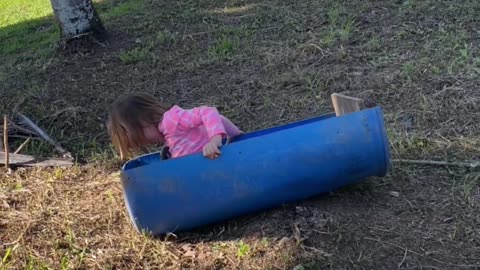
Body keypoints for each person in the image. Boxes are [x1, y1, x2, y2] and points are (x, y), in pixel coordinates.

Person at [107, 93, 243, 160]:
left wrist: (215, 140)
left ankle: (240, 139)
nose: (147, 143)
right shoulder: (166, 134)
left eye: (142, 138)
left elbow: (208, 112)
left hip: (220, 154)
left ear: (146, 119)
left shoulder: (171, 120)